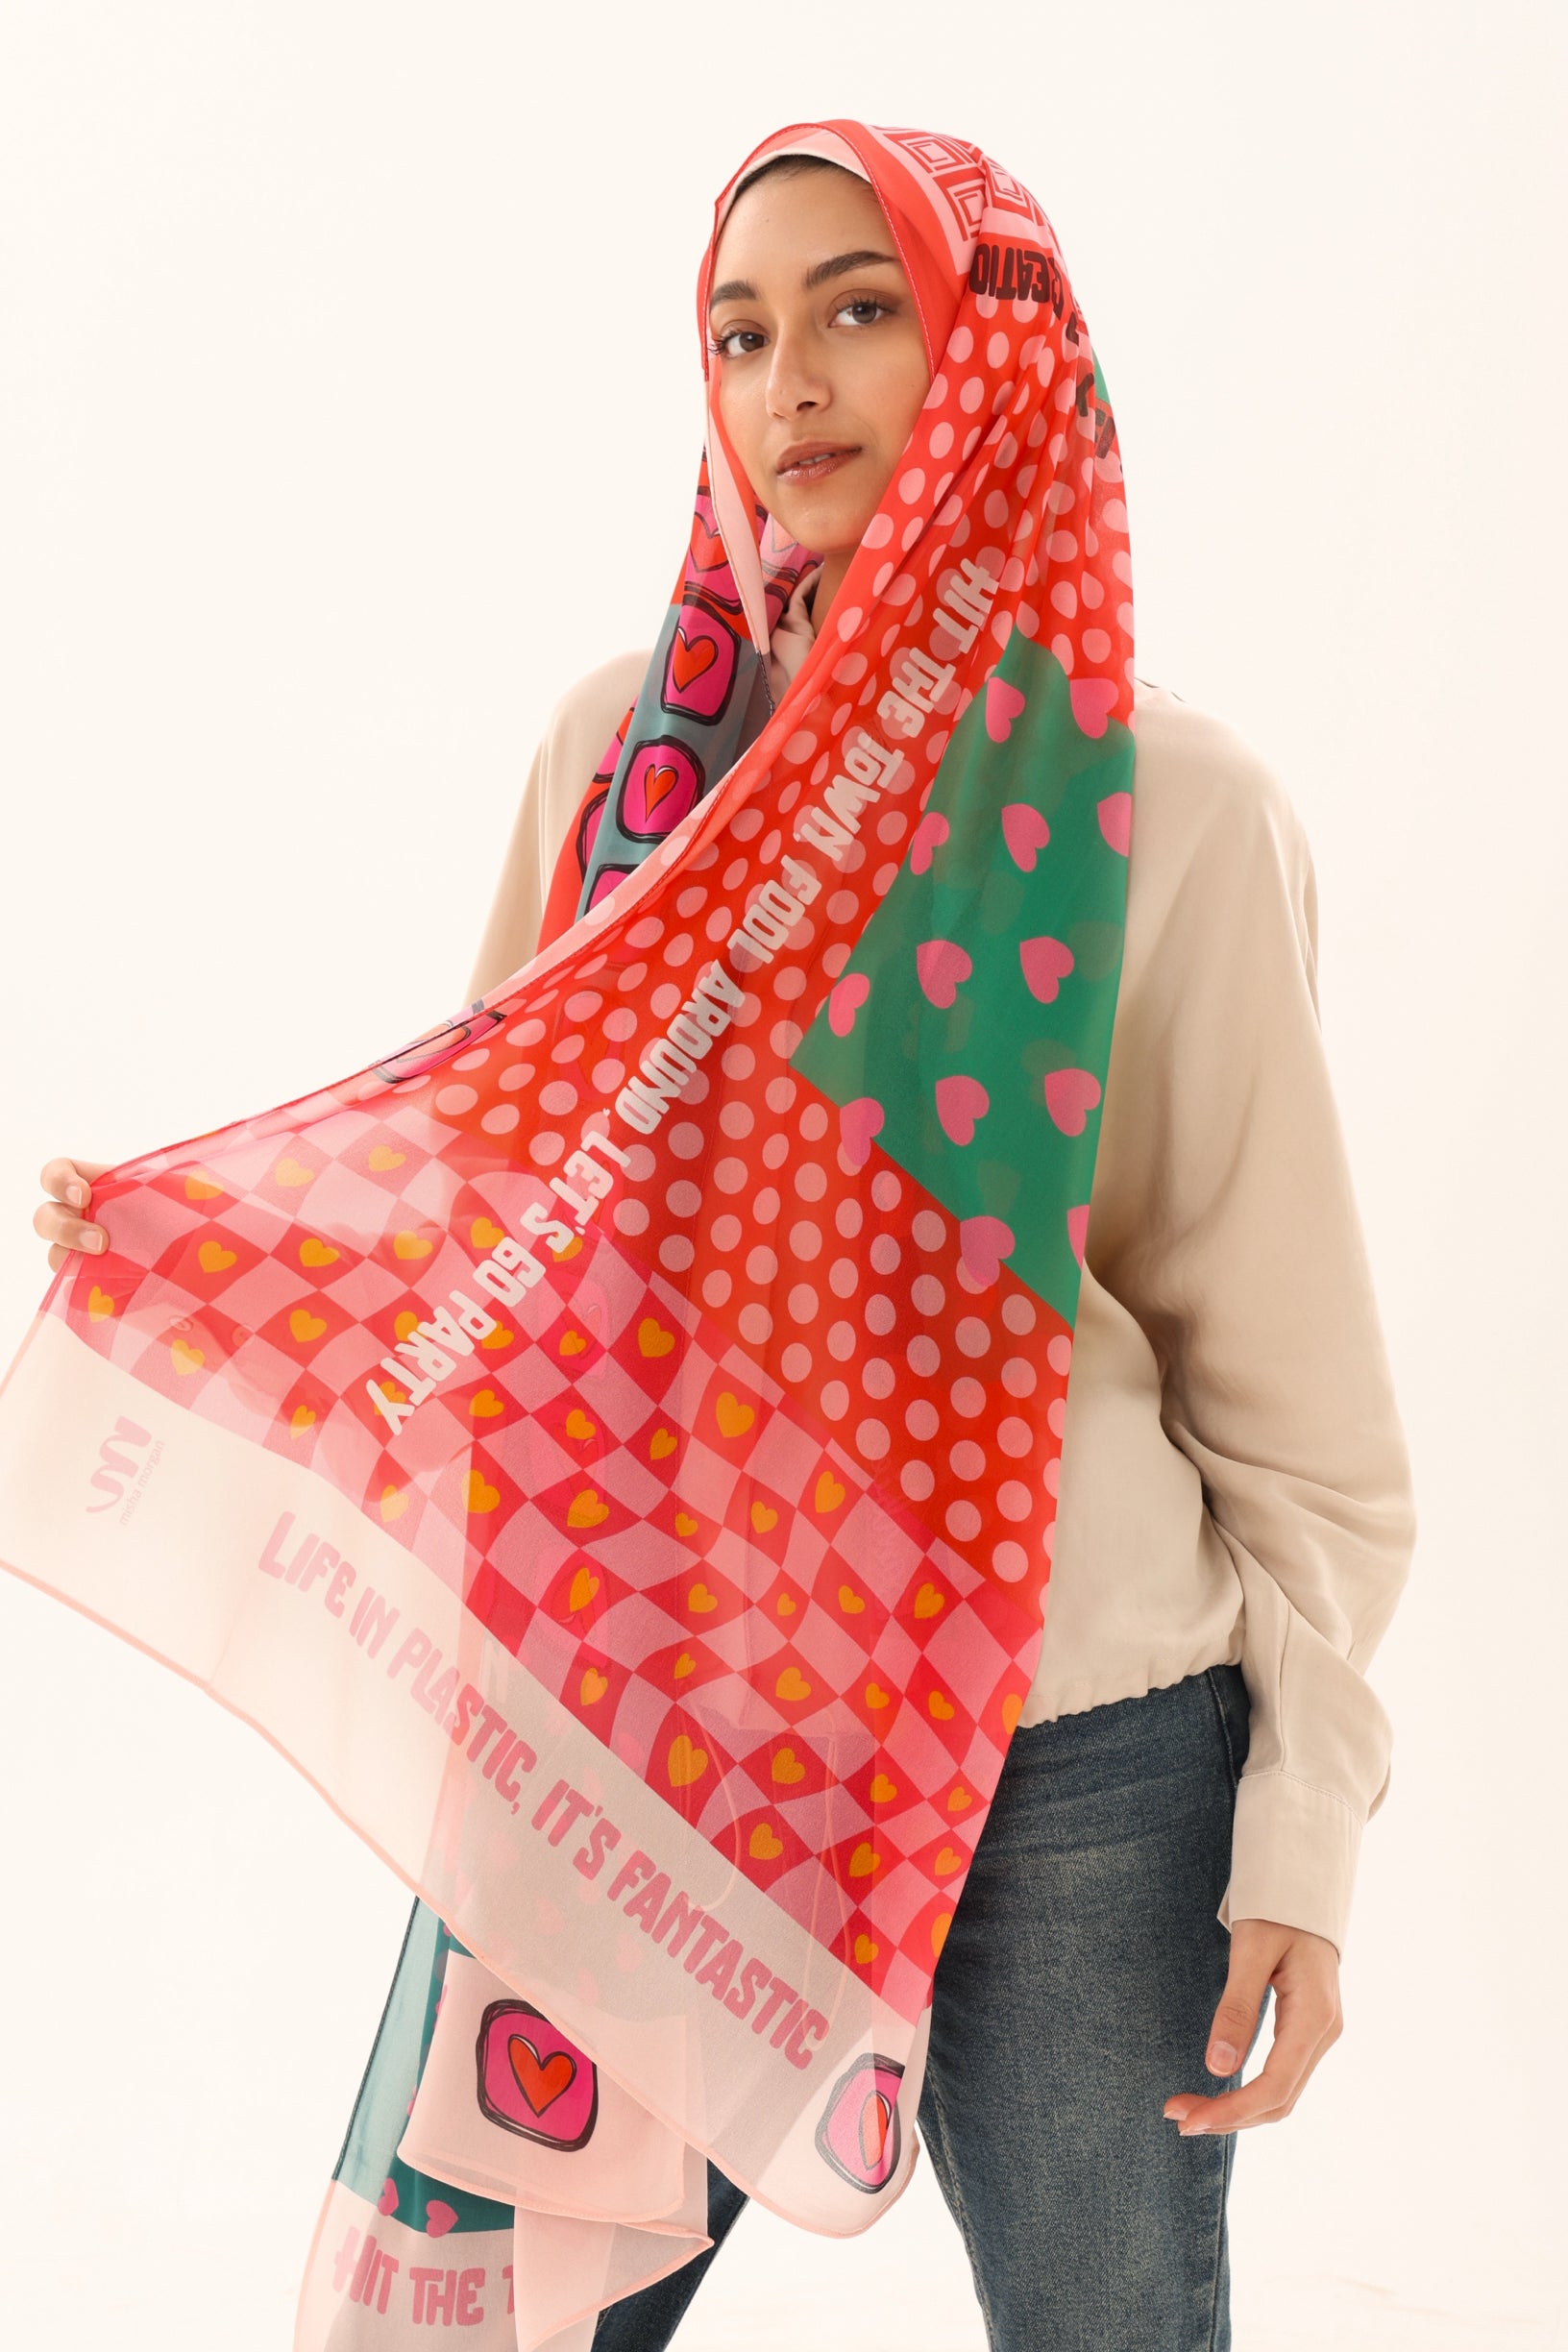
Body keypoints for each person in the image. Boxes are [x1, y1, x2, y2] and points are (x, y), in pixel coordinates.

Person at [31, 131, 1415, 2352]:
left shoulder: (1174, 816)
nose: (794, 382)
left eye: (864, 308)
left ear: (998, 356)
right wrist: (205, 1253)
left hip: (1075, 1759)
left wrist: (1307, 1839)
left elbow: (1307, 1433)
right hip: (660, 1732)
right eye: (742, 332)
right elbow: (489, 1213)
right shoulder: (628, 767)